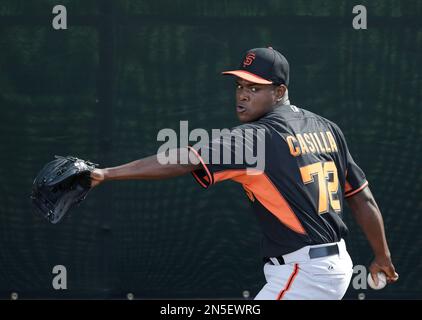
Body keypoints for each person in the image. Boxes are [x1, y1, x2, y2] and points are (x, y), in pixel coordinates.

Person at [89, 47, 398, 300]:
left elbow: (186, 159)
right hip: (333, 266)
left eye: (254, 87)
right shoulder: (326, 128)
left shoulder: (255, 137)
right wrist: (381, 256)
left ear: (280, 91)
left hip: (304, 274)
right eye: (239, 85)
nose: (242, 95)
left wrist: (106, 174)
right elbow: (363, 199)